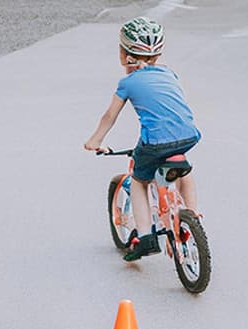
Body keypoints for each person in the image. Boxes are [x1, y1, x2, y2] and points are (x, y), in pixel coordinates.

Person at [83, 16, 202, 261]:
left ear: (124, 53)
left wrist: (95, 140)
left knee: (139, 180)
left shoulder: (127, 82)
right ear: (157, 55)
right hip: (188, 135)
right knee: (185, 172)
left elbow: (109, 116)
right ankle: (192, 216)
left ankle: (146, 237)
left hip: (156, 142)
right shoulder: (170, 74)